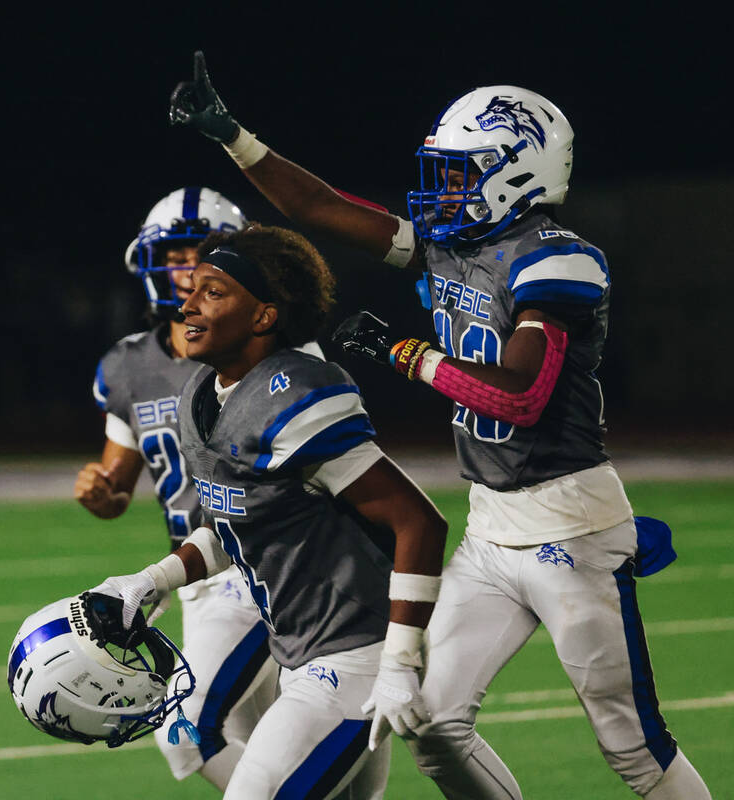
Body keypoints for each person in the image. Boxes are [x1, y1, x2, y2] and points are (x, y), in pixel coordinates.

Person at [168, 51, 712, 799]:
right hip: (490, 527)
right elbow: (321, 207)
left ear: (518, 171)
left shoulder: (560, 261)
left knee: (631, 746)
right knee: (427, 720)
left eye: (463, 172)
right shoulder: (449, 246)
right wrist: (235, 137)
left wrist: (404, 352)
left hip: (571, 530)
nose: (444, 188)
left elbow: (517, 396)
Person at [93, 223, 449, 799]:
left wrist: (401, 661)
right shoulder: (202, 396)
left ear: (263, 316)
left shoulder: (295, 396)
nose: (187, 302)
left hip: (354, 657)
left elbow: (419, 522)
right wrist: (152, 580)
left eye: (212, 291)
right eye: (192, 290)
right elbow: (234, 526)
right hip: (301, 652)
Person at [76, 187, 280, 789]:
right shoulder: (128, 363)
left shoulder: (261, 349)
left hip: (264, 561)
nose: (187, 267)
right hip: (193, 575)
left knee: (184, 731)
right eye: (175, 253)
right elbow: (120, 483)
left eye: (204, 253)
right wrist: (102, 490)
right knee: (259, 738)